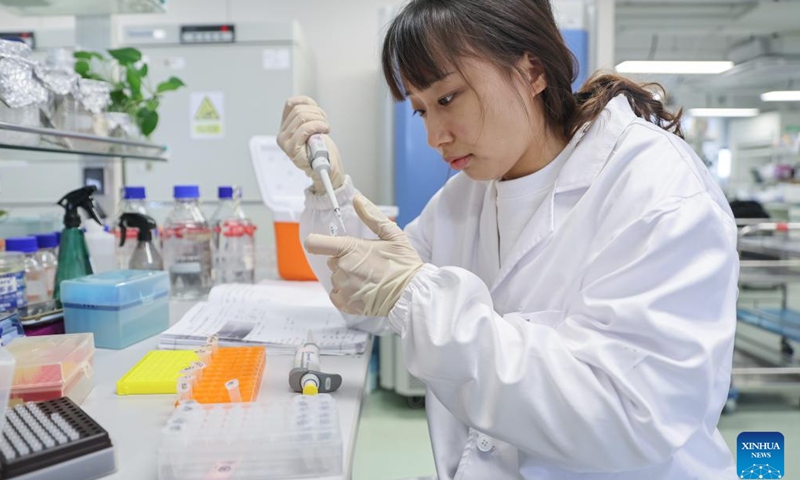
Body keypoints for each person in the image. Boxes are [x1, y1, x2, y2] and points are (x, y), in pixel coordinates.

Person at [277, 0, 739, 478]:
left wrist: (416, 299)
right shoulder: (467, 197)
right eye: (420, 111)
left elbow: (627, 415)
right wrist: (324, 182)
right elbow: (366, 294)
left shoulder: (655, 190)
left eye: (448, 98)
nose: (436, 135)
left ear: (532, 70)